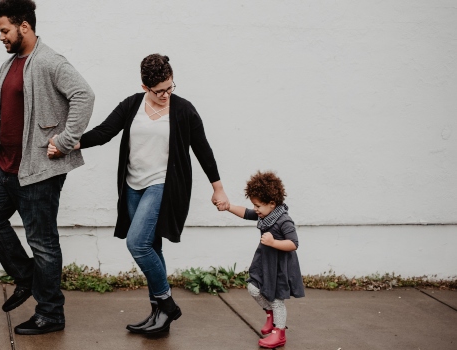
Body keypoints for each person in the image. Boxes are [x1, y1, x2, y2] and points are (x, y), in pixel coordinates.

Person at [48, 54, 230, 334]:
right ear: (145, 87)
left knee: (138, 244)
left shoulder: (183, 110)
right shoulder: (132, 105)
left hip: (163, 185)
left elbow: (203, 149)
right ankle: (159, 317)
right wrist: (68, 144)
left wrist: (218, 188)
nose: (166, 95)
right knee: (152, 247)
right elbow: (104, 132)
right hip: (133, 186)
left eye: (170, 87)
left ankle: (167, 304)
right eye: (159, 91)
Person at [0, 0, 95, 336]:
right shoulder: (11, 63)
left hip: (37, 169)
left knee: (43, 242)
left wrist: (66, 140)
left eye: (4, 30)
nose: (1, 37)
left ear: (24, 26)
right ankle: (27, 278)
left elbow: (84, 95)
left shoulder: (51, 62)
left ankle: (51, 313)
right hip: (4, 165)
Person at [223, 170, 305, 348]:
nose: (256, 209)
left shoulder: (284, 220)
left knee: (276, 299)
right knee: (253, 287)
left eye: (258, 206)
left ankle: (279, 332)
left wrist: (274, 242)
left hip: (279, 266)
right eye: (255, 205)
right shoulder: (265, 214)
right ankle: (270, 314)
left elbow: (293, 243)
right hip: (265, 263)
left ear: (272, 203)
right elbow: (246, 213)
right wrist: (228, 206)